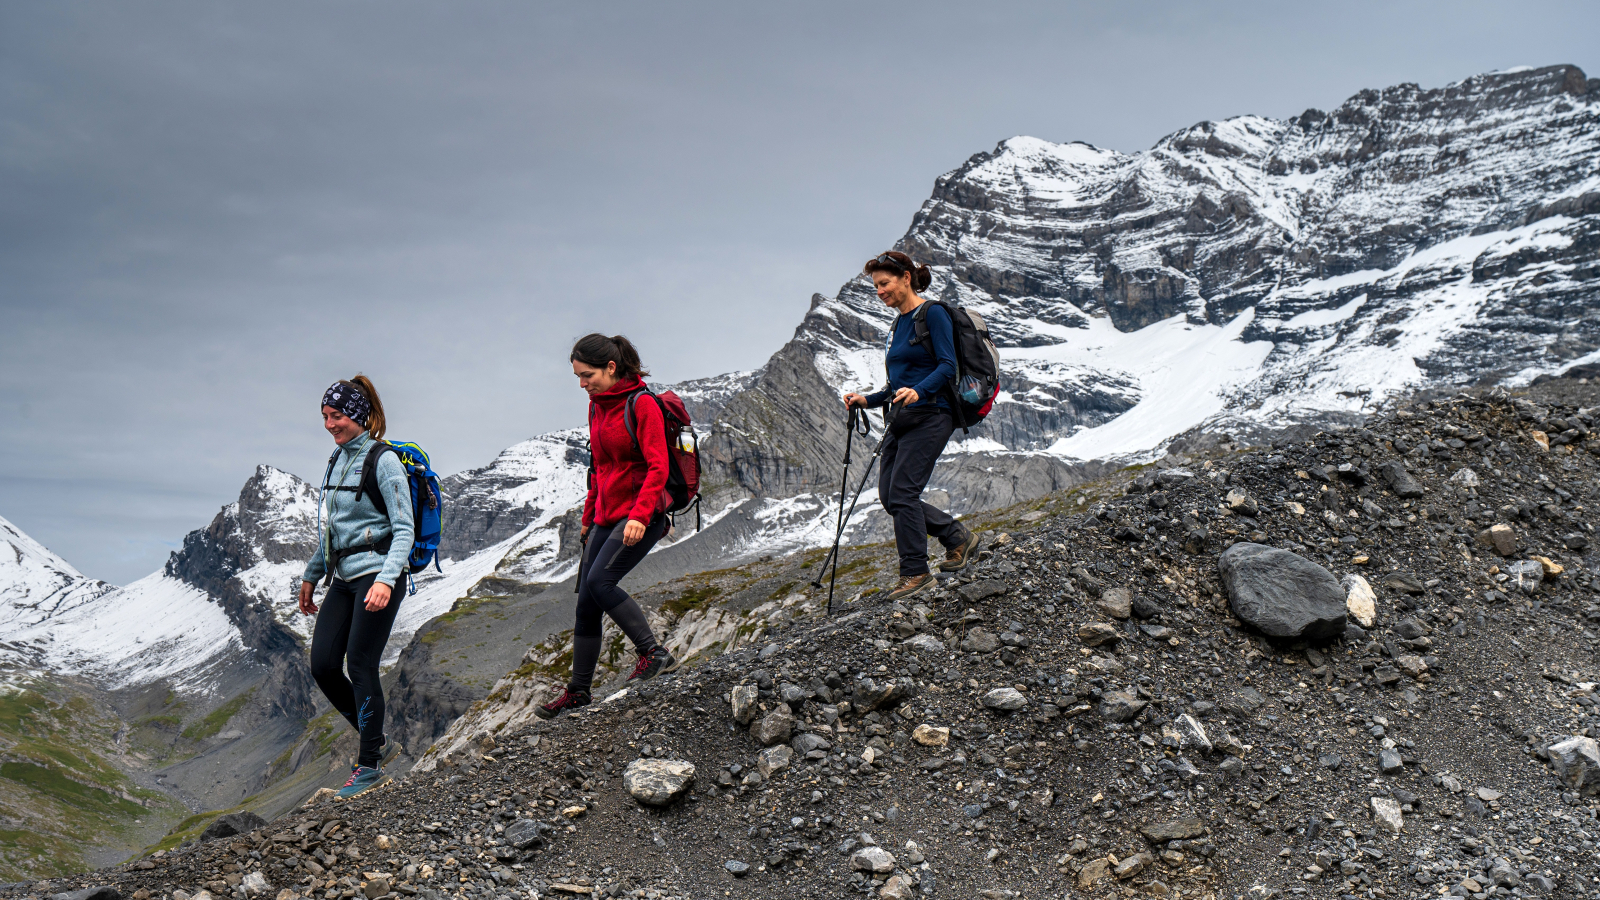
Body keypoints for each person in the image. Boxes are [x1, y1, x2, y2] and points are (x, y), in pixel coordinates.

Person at [537, 334, 679, 719]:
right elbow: (599, 469)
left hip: (640, 514)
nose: (582, 384)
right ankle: (579, 692)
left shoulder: (642, 404)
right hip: (606, 516)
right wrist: (588, 520)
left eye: (587, 376)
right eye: (578, 378)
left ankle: (654, 654)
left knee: (601, 583)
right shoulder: (597, 407)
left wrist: (639, 515)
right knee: (585, 601)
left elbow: (658, 466)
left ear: (611, 368)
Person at [298, 375, 414, 799]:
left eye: (339, 415)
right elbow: (334, 530)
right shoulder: (336, 460)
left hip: (378, 574)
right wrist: (312, 574)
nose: (331, 424)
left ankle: (368, 766)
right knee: (324, 666)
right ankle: (378, 741)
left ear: (360, 415)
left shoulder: (382, 460)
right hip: (344, 577)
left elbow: (404, 528)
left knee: (360, 664)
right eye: (326, 417)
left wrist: (386, 579)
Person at [843, 251, 981, 601]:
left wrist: (920, 390)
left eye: (884, 283)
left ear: (906, 277)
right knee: (891, 497)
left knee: (903, 493)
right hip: (901, 418)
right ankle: (957, 538)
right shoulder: (897, 325)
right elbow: (895, 386)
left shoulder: (932, 313)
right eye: (876, 286)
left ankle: (916, 573)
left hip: (933, 414)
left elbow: (948, 366)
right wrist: (867, 400)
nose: (879, 291)